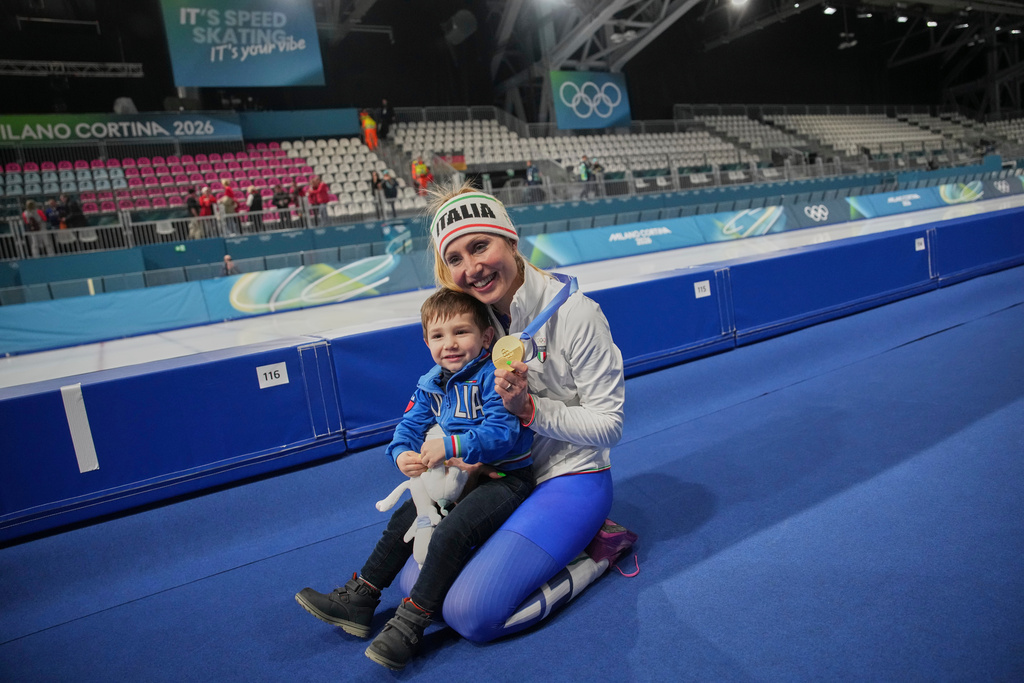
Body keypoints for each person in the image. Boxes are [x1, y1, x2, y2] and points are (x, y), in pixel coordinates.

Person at [297, 183, 629, 660]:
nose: (472, 267)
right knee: (420, 573)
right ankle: (369, 597)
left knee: (475, 615)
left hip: (568, 475)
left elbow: (610, 424)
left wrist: (531, 412)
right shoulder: (476, 322)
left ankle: (600, 551)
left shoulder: (576, 315)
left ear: (510, 241)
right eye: (455, 258)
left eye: (480, 246)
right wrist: (442, 452)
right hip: (496, 473)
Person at [296, 287, 535, 670]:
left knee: (451, 532)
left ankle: (410, 622)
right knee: (403, 520)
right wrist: (402, 454)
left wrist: (452, 446)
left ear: (486, 337)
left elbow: (502, 434)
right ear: (426, 342)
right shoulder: (431, 382)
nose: (450, 344)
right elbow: (407, 428)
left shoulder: (496, 377)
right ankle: (361, 596)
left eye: (461, 332)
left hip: (504, 477)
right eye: (439, 336)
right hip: (454, 478)